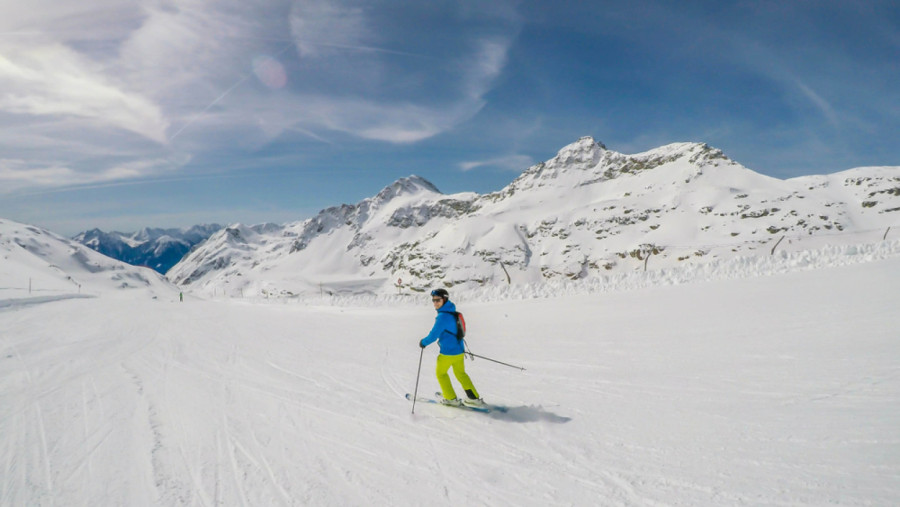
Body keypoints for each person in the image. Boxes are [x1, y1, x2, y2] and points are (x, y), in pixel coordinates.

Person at [419, 288, 484, 407]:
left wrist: (423, 342)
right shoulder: (453, 312)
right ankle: (474, 398)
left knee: (441, 373)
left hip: (447, 353)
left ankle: (451, 398)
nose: (435, 303)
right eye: (433, 300)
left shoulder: (442, 317)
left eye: (438, 300)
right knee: (461, 373)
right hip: (459, 351)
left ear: (444, 300)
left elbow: (433, 335)